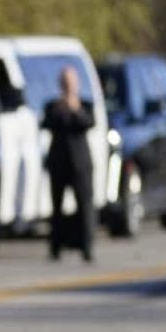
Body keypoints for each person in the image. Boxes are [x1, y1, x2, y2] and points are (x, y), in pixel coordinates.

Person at [43, 66, 96, 262]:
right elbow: (47, 124)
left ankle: (87, 247)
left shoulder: (85, 105)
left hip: (80, 164)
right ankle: (55, 247)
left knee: (85, 207)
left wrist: (75, 109)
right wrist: (62, 108)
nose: (67, 85)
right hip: (58, 162)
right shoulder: (53, 106)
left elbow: (88, 123)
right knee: (56, 208)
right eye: (65, 82)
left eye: (70, 81)